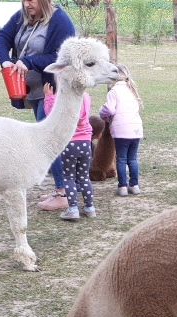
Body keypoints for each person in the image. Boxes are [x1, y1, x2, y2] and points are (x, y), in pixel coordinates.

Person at [0, 0, 76, 211]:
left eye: (31, 0)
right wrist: (5, 61)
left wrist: (30, 62)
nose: (26, 3)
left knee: (49, 140)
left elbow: (61, 57)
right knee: (46, 139)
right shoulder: (22, 16)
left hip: (51, 90)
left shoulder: (60, 21)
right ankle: (63, 188)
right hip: (33, 90)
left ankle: (64, 194)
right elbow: (1, 38)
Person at [43, 83, 95, 221]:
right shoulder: (85, 96)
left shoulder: (64, 98)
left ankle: (73, 209)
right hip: (85, 143)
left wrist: (49, 97)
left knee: (69, 177)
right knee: (84, 177)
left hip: (70, 143)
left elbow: (51, 115)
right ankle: (90, 208)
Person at [99, 64, 144, 197]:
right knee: (133, 158)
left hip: (121, 130)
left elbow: (110, 109)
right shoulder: (132, 89)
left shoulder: (114, 91)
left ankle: (123, 186)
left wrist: (103, 113)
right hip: (136, 129)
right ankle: (134, 185)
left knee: (121, 159)